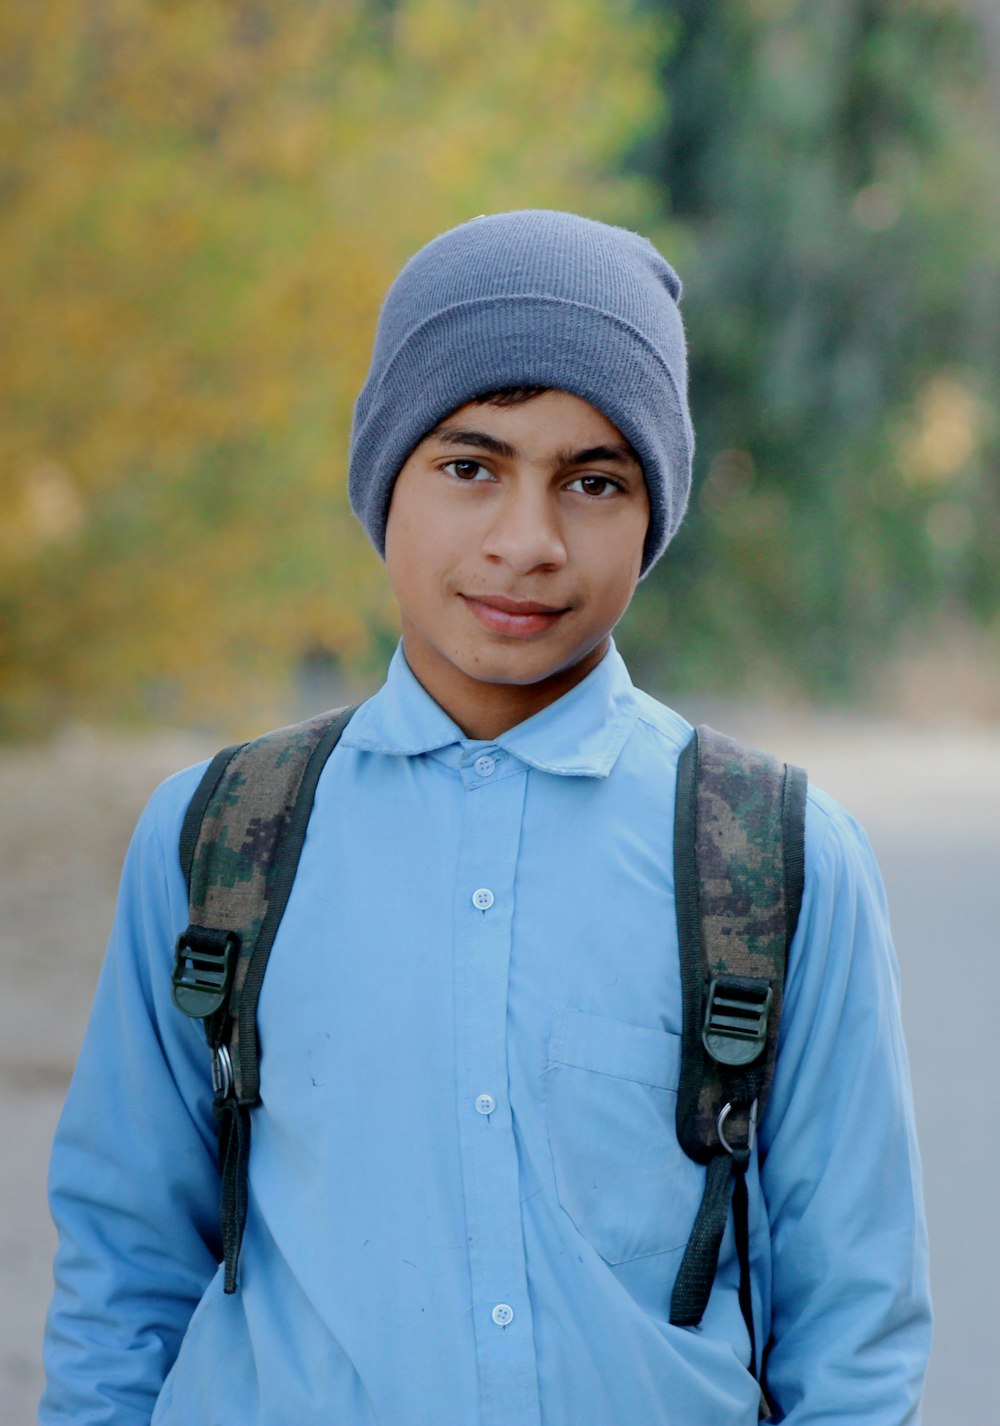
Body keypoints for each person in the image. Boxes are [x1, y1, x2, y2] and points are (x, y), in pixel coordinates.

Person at [41, 210, 931, 1425]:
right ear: (384, 480)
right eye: (471, 466)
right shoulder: (220, 839)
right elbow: (122, 1273)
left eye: (594, 480)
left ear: (651, 513)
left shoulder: (774, 857)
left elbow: (853, 1324)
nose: (526, 541)